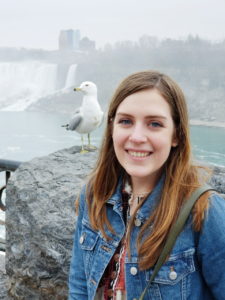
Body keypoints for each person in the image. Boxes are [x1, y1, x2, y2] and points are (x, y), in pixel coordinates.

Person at [68, 71, 225, 300]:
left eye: (154, 124)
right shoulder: (94, 194)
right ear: (112, 128)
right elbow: (80, 285)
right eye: (126, 121)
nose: (137, 136)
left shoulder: (205, 211)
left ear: (176, 135)